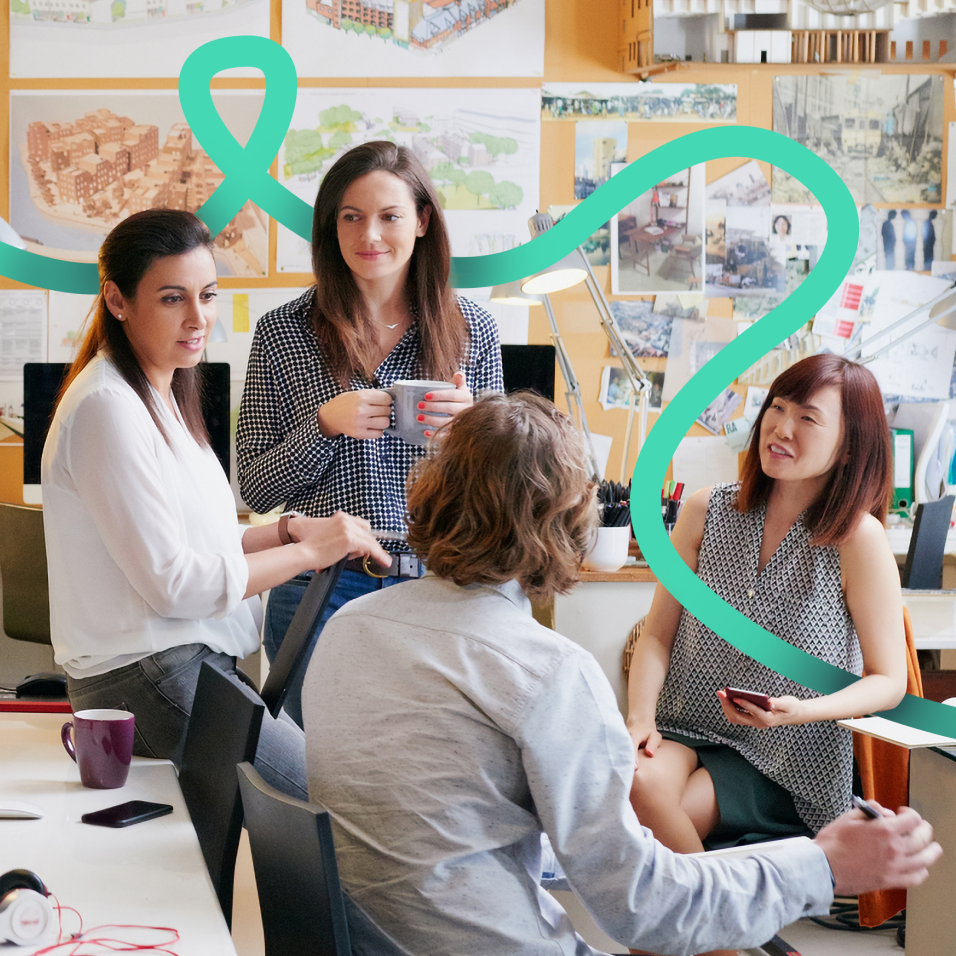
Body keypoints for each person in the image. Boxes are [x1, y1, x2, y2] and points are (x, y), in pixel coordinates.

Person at [302, 392, 938, 956]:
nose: (785, 429)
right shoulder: (548, 672)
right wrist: (823, 867)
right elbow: (641, 905)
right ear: (566, 523)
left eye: (809, 418)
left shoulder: (348, 627)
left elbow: (448, 817)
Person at [41, 209, 389, 799]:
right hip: (145, 679)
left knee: (323, 795)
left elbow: (198, 541)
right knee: (327, 801)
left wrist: (285, 531)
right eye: (173, 299)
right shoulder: (107, 407)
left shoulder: (164, 392)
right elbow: (176, 584)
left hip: (179, 668)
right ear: (118, 300)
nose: (199, 319)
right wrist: (310, 552)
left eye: (208, 295)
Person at [626, 353, 907, 956]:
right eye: (776, 409)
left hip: (785, 755)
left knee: (649, 856)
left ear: (851, 446)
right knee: (638, 783)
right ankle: (738, 942)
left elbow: (889, 681)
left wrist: (799, 710)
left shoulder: (858, 538)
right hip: (686, 727)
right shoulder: (706, 510)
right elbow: (656, 637)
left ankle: (721, 942)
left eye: (809, 418)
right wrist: (639, 720)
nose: (781, 429)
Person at [236, 141, 503, 726]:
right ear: (330, 227)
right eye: (351, 217)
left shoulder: (472, 330)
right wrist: (324, 426)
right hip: (317, 585)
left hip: (442, 586)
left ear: (424, 221)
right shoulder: (283, 332)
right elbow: (253, 489)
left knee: (425, 775)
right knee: (308, 768)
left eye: (390, 216)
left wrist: (473, 435)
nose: (370, 235)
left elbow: (502, 495)